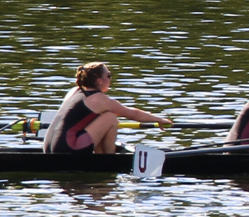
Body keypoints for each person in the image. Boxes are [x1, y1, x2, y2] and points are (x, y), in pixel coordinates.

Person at [43, 62, 173, 154]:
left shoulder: (73, 91)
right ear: (99, 81)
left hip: (48, 146)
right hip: (69, 147)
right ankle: (108, 159)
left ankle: (100, 154)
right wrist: (160, 120)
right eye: (108, 75)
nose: (110, 79)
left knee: (101, 116)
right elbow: (133, 114)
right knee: (110, 118)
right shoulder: (100, 100)